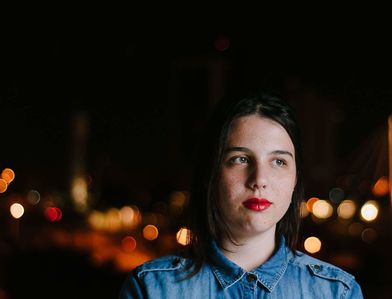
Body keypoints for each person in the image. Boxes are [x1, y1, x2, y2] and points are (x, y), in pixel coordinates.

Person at [119, 91, 364, 298]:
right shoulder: (152, 289)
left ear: (295, 178)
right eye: (240, 159)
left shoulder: (336, 292)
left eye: (278, 161)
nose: (259, 180)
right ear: (211, 173)